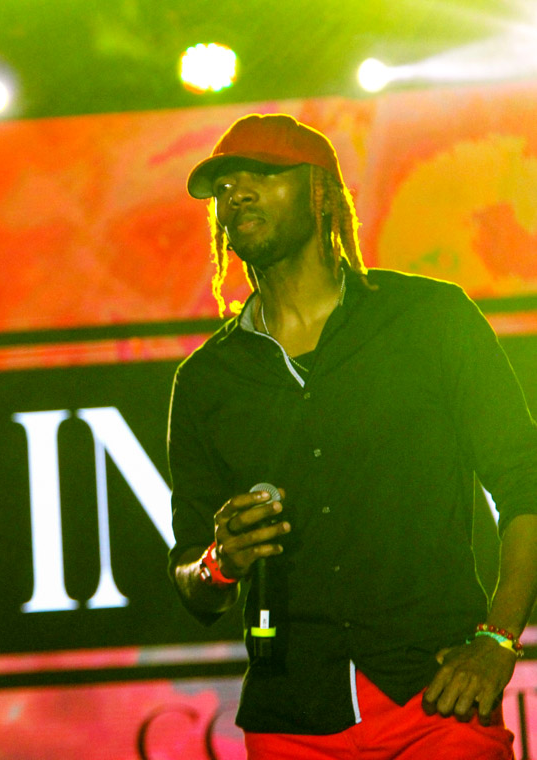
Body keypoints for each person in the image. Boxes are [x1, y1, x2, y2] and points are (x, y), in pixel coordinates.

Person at [166, 113, 537, 759]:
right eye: (226, 184)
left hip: (437, 698)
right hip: (292, 717)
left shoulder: (430, 319)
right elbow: (191, 577)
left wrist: (500, 641)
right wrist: (220, 563)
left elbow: (524, 481)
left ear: (322, 193)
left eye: (264, 173)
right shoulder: (206, 380)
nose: (239, 192)